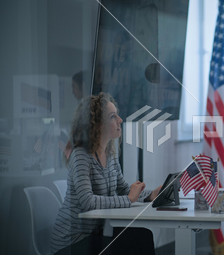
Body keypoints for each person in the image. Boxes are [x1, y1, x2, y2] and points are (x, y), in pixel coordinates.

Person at [50, 92, 161, 254]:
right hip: (72, 241)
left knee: (142, 235)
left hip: (94, 235)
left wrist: (151, 195)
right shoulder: (81, 155)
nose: (120, 120)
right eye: (112, 117)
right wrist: (129, 199)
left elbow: (124, 189)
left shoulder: (109, 154)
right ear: (97, 125)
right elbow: (88, 202)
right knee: (138, 241)